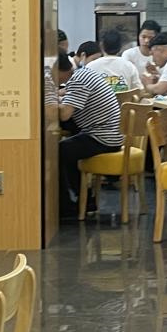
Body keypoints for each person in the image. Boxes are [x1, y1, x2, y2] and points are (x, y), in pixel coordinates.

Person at [50, 53, 123, 216]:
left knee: (58, 152)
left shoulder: (78, 80)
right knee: (66, 149)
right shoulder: (82, 74)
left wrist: (48, 100)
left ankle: (66, 205)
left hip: (103, 137)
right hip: (108, 133)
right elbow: (66, 94)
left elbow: (64, 114)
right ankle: (85, 198)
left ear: (57, 71)